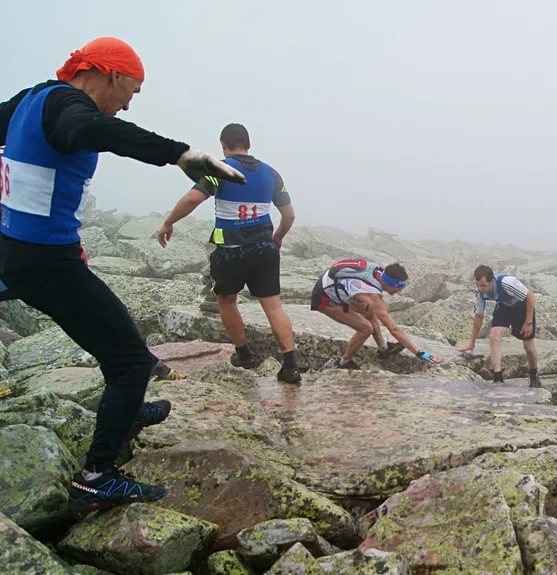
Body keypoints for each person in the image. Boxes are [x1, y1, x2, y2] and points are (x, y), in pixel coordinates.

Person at [0, 37, 244, 512]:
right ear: (109, 75)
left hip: (27, 254)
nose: (129, 102)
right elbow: (89, 130)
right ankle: (96, 477)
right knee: (133, 363)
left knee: (125, 347)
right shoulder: (67, 107)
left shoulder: (30, 99)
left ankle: (127, 412)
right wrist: (180, 155)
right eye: (131, 90)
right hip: (46, 264)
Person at [157, 123, 300, 384]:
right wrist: (277, 237)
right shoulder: (272, 174)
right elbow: (289, 215)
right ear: (249, 143)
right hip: (265, 249)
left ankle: (244, 354)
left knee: (226, 300)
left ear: (223, 145)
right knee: (273, 306)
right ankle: (290, 365)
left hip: (229, 251)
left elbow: (192, 199)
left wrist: (168, 222)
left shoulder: (219, 171)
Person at [310, 258, 440, 370]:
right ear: (392, 284)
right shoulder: (372, 295)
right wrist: (420, 353)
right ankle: (345, 362)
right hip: (324, 298)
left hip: (333, 284)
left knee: (369, 310)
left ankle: (383, 349)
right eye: (400, 287)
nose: (400, 291)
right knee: (365, 328)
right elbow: (394, 329)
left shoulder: (378, 271)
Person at [457, 265, 541, 387]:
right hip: (502, 307)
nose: (480, 288)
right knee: (494, 336)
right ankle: (498, 377)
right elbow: (478, 317)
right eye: (477, 284)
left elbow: (531, 297)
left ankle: (533, 373)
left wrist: (528, 322)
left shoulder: (506, 283)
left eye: (483, 285)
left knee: (529, 348)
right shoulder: (480, 294)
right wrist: (472, 342)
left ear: (492, 281)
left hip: (521, 307)